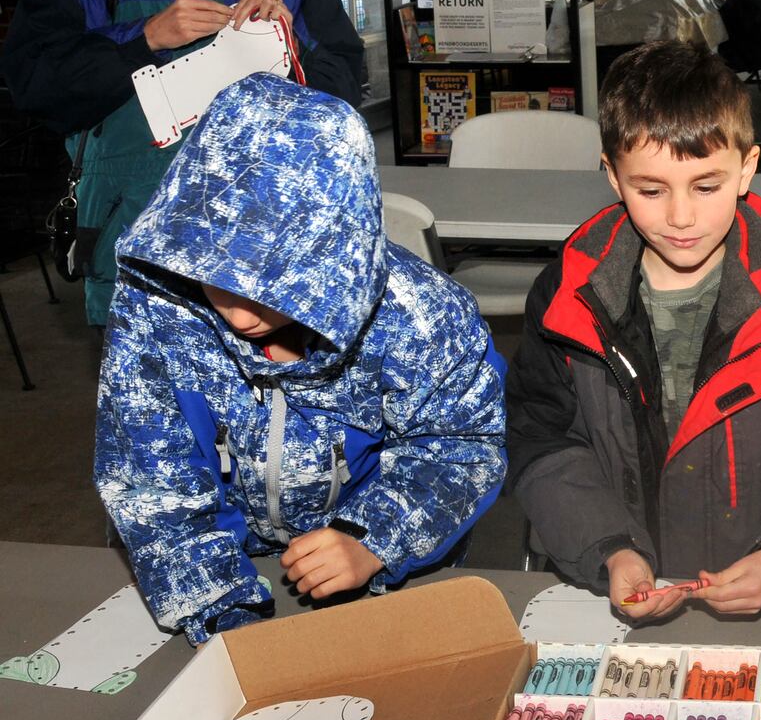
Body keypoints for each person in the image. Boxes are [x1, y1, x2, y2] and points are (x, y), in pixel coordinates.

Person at [94, 73, 506, 644]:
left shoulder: (424, 316)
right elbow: (149, 474)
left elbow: (462, 444)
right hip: (219, 558)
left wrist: (375, 538)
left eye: (272, 286)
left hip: (385, 566)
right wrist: (218, 608)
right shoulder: (158, 310)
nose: (239, 316)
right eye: (217, 275)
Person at [505, 40, 761, 619]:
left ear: (748, 169)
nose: (681, 217)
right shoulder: (566, 297)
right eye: (650, 189)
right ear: (612, 176)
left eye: (706, 186)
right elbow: (540, 440)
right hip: (608, 593)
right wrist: (610, 551)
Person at [1, 0, 364, 327]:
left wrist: (288, 43)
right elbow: (35, 80)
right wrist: (144, 39)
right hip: (139, 238)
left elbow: (341, 95)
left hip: (267, 237)